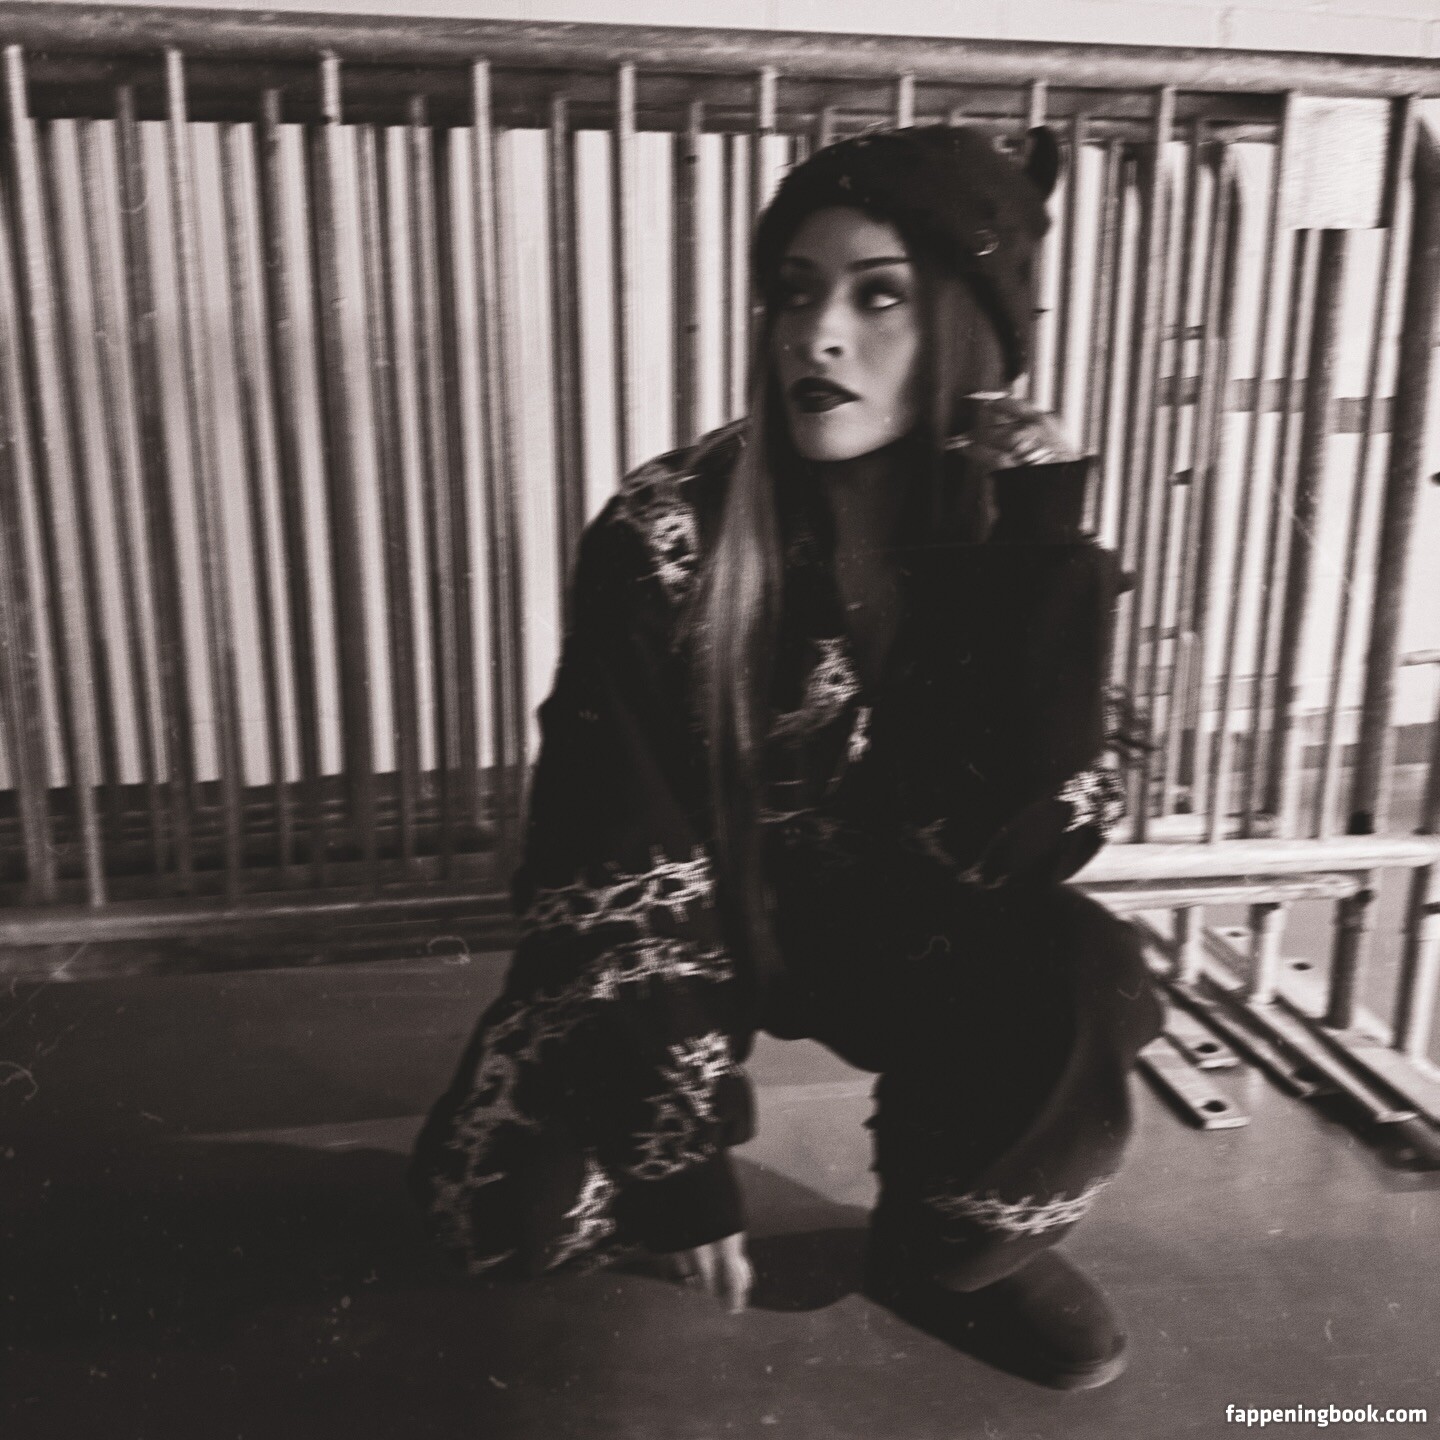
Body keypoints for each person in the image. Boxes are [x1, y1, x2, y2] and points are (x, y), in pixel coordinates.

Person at [409, 123, 1162, 1391]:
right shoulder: (666, 528)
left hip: (886, 923)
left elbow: (1036, 839)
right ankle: (586, 1152)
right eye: (796, 292)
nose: (817, 334)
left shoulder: (1009, 521)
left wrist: (1041, 556)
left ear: (969, 328)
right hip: (694, 919)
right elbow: (609, 853)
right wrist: (673, 1157)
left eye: (878, 297)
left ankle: (945, 1251)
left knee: (1075, 966)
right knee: (502, 1228)